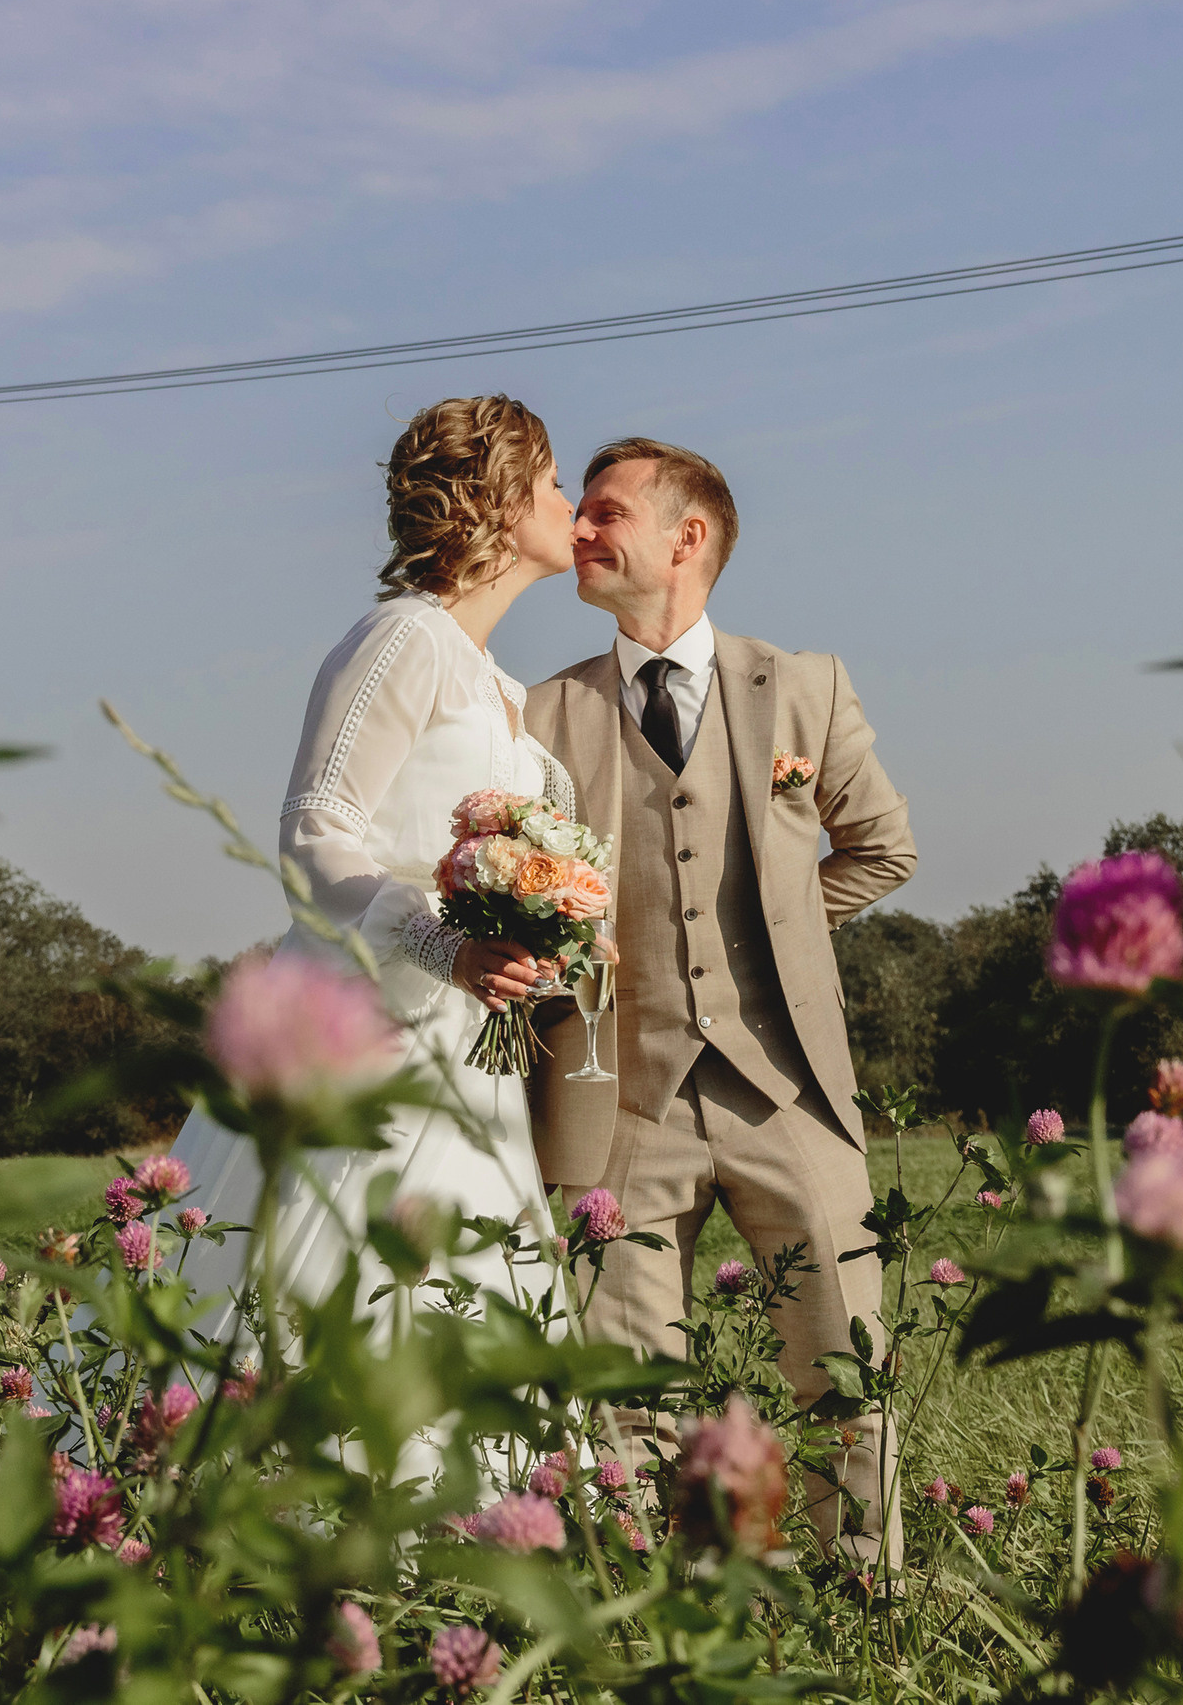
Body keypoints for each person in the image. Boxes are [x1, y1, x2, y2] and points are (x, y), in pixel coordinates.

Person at [522, 437, 916, 1562]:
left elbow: (884, 849)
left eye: (605, 512)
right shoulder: (541, 714)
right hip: (620, 1101)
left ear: (685, 537)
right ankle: (666, 1619)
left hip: (788, 1091)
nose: (578, 529)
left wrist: (783, 929)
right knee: (625, 1399)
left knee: (848, 1373)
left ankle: (871, 1614)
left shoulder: (804, 686)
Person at [167, 394, 577, 1333]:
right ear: (500, 497)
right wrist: (443, 946)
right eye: (554, 482)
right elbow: (314, 836)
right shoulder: (405, 637)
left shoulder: (496, 681)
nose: (572, 504)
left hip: (466, 1048)